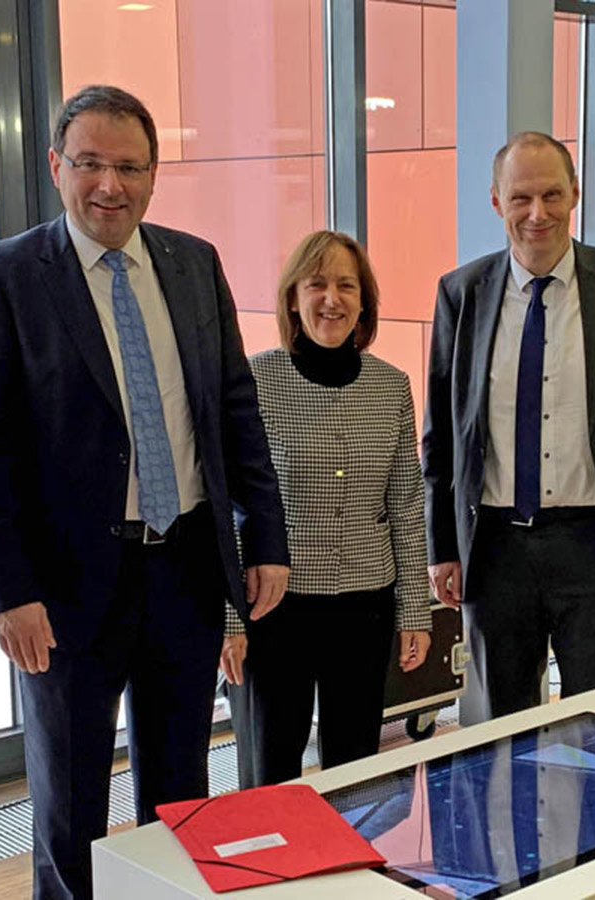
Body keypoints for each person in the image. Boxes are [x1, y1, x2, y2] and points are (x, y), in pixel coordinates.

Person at [0, 85, 289, 900]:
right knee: (70, 807)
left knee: (181, 797)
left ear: (154, 173)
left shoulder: (194, 262)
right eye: (90, 164)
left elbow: (235, 410)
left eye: (130, 167)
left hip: (185, 571)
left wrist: (266, 540)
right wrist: (6, 591)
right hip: (64, 591)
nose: (111, 185)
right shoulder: (7, 274)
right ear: (55, 166)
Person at [423, 131, 595, 723]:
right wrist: (443, 548)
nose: (537, 213)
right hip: (496, 552)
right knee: (502, 729)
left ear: (574, 193)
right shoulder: (461, 294)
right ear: (496, 200)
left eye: (551, 195)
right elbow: (441, 438)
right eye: (521, 198)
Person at [222, 231, 432, 788]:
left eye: (346, 286)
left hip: (365, 605)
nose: (331, 299)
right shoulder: (255, 381)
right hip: (273, 607)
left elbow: (406, 505)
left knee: (356, 771)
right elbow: (231, 507)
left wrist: (415, 610)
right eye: (316, 284)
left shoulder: (391, 386)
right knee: (271, 772)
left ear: (364, 302)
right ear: (293, 298)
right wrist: (229, 620)